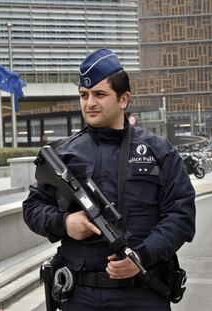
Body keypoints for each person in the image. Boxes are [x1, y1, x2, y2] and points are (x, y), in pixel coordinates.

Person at [23, 48, 196, 311]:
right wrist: (65, 222)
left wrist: (142, 256)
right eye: (84, 95)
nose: (89, 102)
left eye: (99, 94)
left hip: (142, 292)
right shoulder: (63, 154)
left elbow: (181, 215)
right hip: (79, 294)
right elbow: (33, 208)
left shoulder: (159, 151)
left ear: (123, 99)